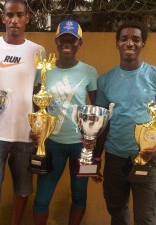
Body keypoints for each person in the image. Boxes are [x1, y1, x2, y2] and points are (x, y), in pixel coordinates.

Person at [0, 0, 46, 225]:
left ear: (27, 18)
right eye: (10, 15)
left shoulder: (38, 52)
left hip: (25, 135)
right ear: (3, 18)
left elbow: (39, 95)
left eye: (20, 15)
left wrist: (40, 130)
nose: (14, 19)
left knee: (23, 189)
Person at [95, 20, 156, 225]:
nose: (130, 43)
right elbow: (103, 122)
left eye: (136, 39)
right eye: (124, 38)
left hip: (146, 159)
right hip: (114, 158)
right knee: (117, 213)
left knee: (146, 218)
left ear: (143, 44)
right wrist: (96, 156)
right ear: (117, 43)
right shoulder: (105, 80)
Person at [32, 20, 98, 225]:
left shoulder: (89, 72)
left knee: (79, 196)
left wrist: (92, 140)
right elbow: (36, 105)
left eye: (72, 39)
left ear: (80, 43)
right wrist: (38, 131)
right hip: (52, 143)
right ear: (56, 42)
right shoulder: (43, 70)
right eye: (63, 39)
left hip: (80, 144)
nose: (67, 43)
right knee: (42, 199)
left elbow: (95, 109)